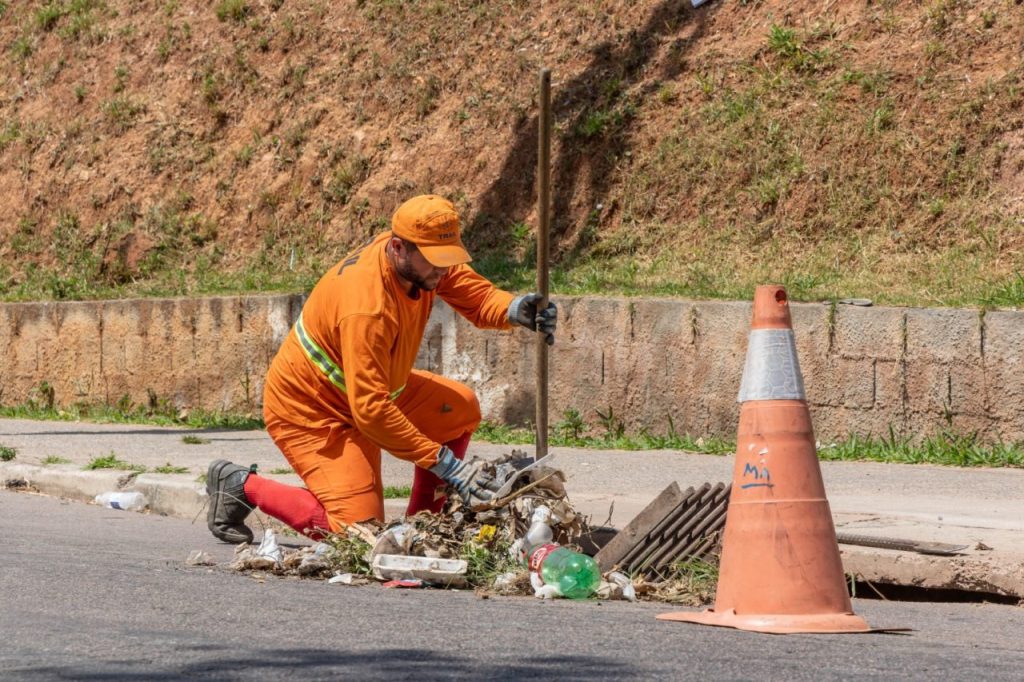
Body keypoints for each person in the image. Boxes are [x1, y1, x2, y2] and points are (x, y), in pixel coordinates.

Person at [206, 194, 557, 543]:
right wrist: (447, 465)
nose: (443, 270)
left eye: (448, 258)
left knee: (458, 408)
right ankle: (240, 485)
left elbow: (474, 295)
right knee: (360, 533)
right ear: (398, 247)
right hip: (313, 411)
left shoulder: (423, 263)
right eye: (435, 261)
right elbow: (372, 411)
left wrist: (514, 309)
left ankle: (423, 528)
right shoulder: (367, 307)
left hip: (372, 392)